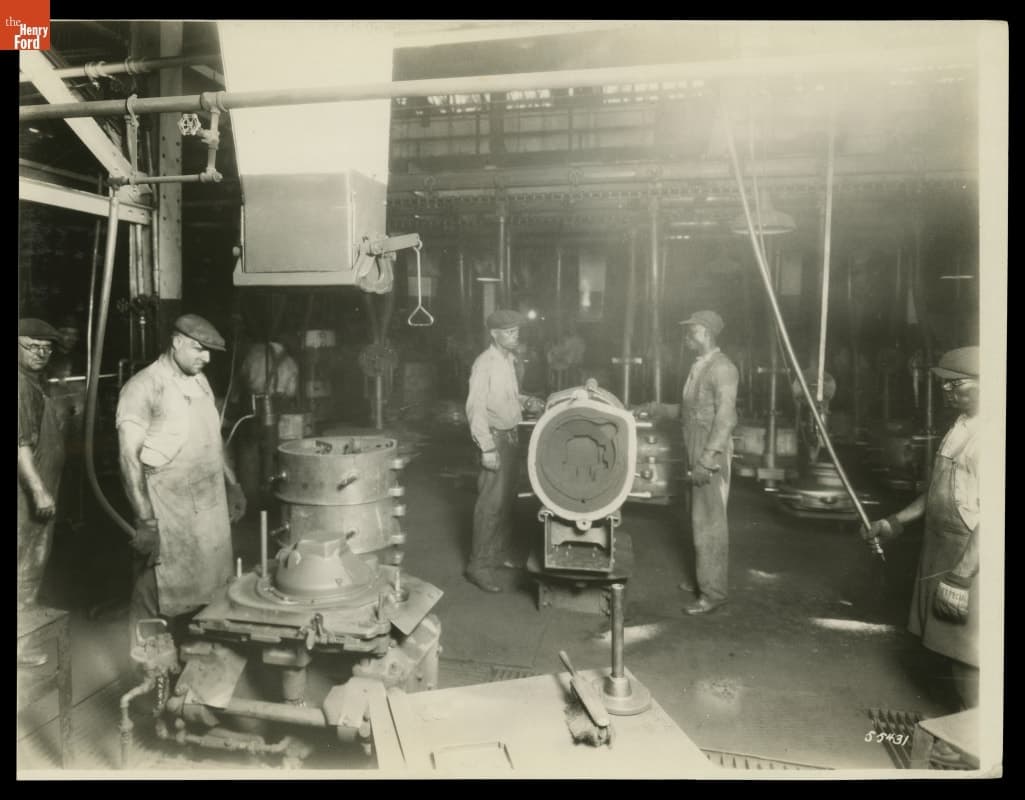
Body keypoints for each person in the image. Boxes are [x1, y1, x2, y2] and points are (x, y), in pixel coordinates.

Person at [116, 314, 247, 648]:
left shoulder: (200, 381)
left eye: (209, 353)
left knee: (209, 589)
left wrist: (232, 484)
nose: (206, 358)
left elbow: (214, 440)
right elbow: (128, 458)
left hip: (207, 508)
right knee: (155, 591)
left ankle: (195, 663)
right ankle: (152, 674)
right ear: (176, 342)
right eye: (199, 349)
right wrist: (146, 522)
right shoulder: (144, 386)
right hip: (166, 511)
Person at [862, 346, 980, 709]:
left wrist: (961, 576)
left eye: (955, 384)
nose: (946, 391)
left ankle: (975, 740)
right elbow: (936, 492)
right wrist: (894, 522)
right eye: (944, 384)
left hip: (968, 556)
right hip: (940, 548)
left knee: (968, 654)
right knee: (946, 646)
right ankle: (963, 725)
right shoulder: (959, 427)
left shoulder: (992, 436)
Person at [635, 310, 739, 615]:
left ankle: (713, 593)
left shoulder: (723, 369)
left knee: (710, 520)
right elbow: (689, 409)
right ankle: (702, 579)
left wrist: (708, 459)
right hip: (694, 441)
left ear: (705, 332)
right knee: (695, 514)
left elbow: (725, 418)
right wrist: (655, 408)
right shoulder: (700, 366)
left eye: (691, 332)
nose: (687, 337)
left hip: (709, 446)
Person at [464, 309, 545, 592]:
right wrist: (486, 448)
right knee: (490, 506)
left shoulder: (509, 360)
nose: (515, 336)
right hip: (495, 440)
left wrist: (527, 401)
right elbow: (475, 409)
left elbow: (506, 397)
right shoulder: (483, 364)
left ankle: (497, 555)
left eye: (517, 331)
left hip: (511, 438)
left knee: (506, 502)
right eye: (509, 332)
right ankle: (479, 566)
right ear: (494, 334)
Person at [18, 318, 67, 667]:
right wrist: (38, 491)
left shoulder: (36, 383)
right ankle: (19, 649)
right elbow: (19, 446)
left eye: (46, 348)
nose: (40, 353)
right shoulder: (20, 386)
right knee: (24, 571)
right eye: (32, 346)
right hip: (26, 500)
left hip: (38, 493)